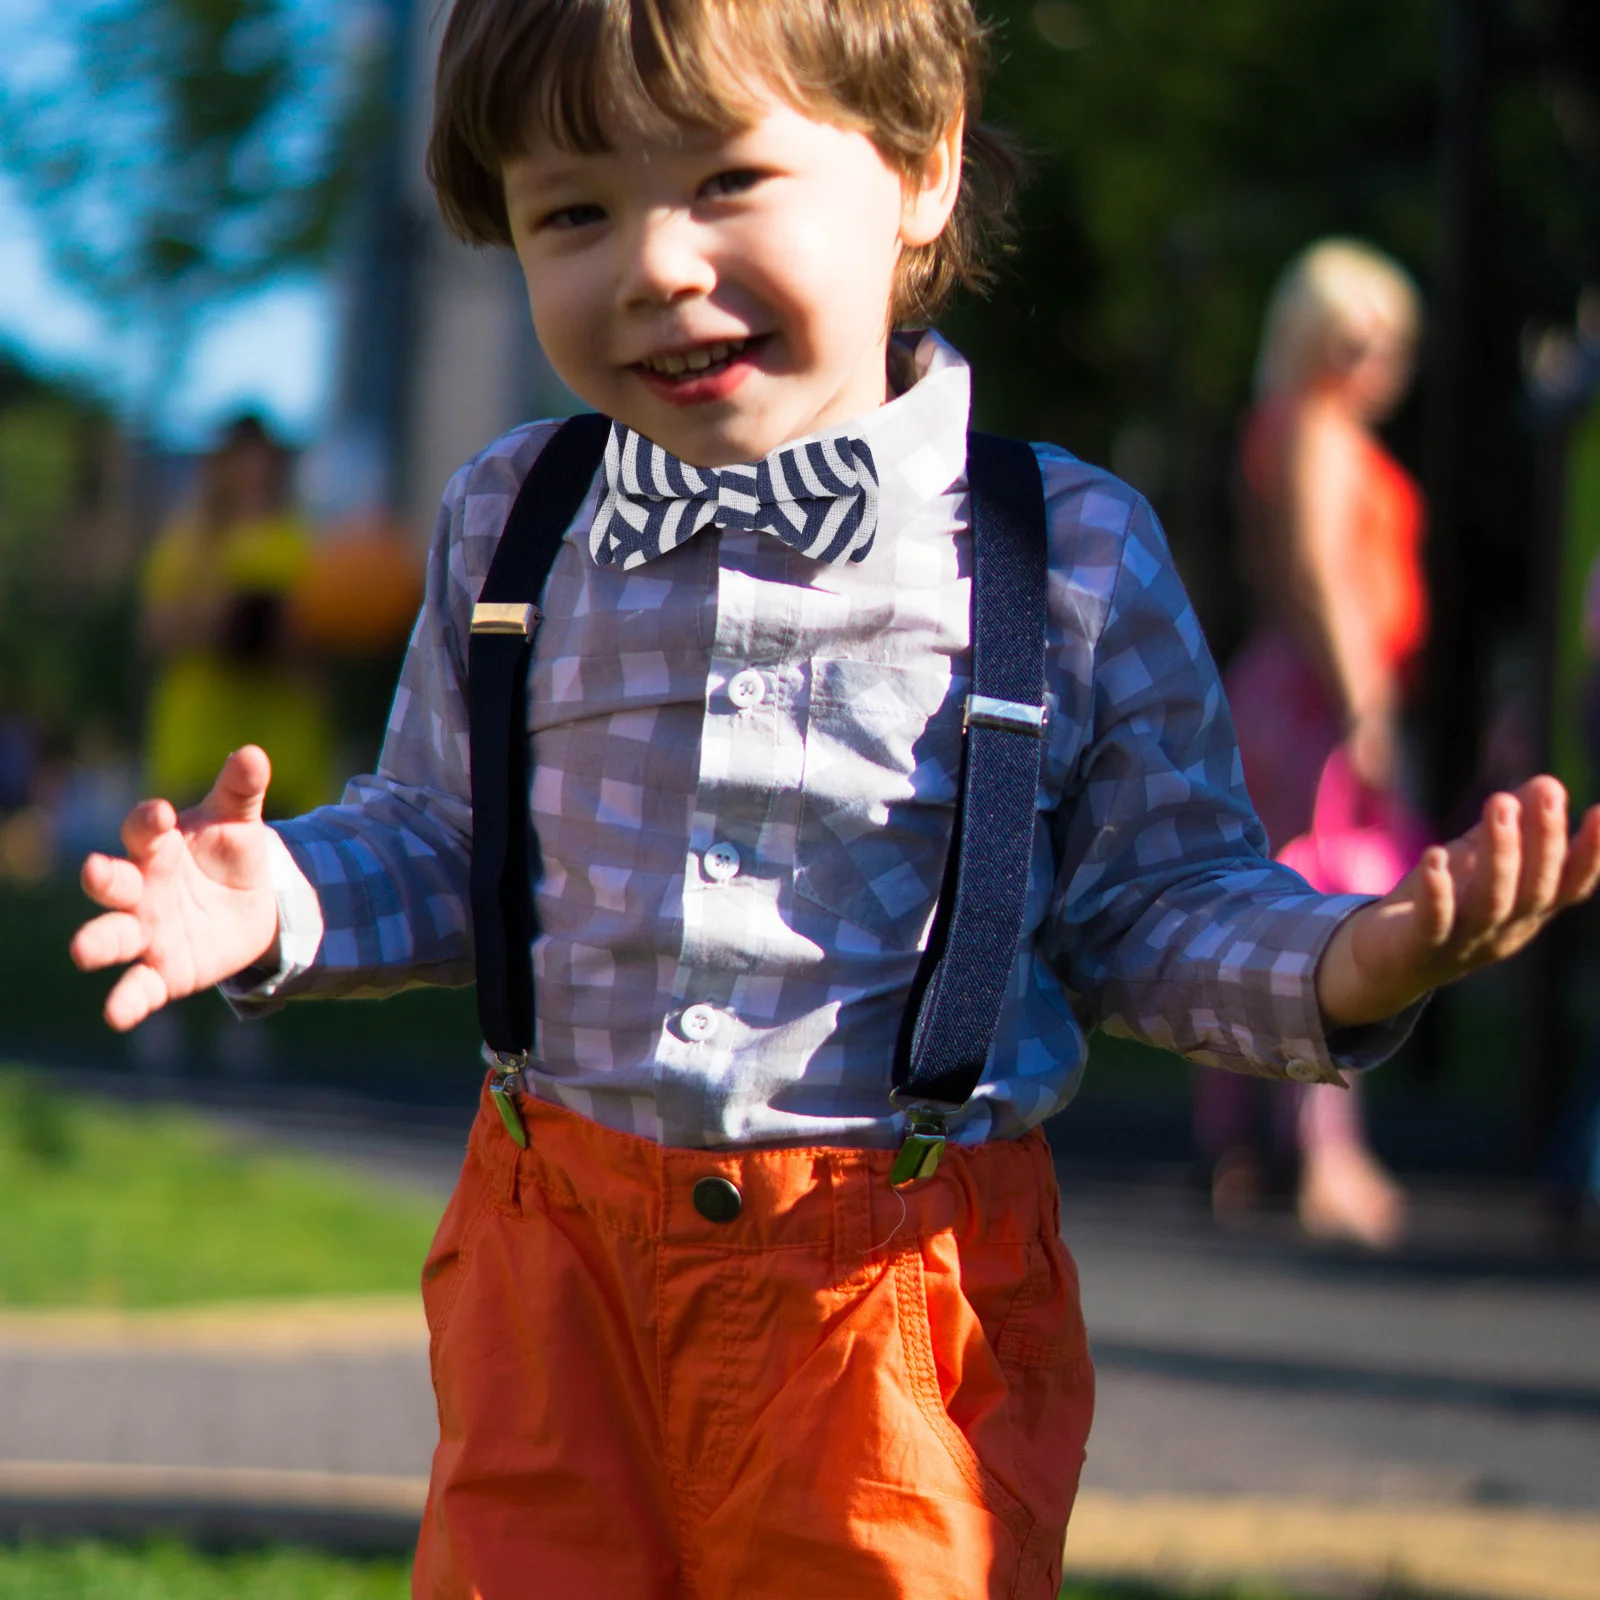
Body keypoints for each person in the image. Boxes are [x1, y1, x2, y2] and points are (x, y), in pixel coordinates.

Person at [68, 4, 1600, 1595]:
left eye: (729, 180)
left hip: (893, 1304)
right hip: (555, 1272)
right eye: (575, 210)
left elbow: (1149, 903)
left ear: (921, 169)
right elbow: (447, 839)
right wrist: (277, 899)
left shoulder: (1060, 554)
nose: (656, 263)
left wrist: (1352, 961)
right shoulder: (511, 525)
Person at [1198, 240, 1431, 1248]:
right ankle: (1326, 1154)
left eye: (1391, 336)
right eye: (1356, 333)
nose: (1378, 355)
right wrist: (1365, 707)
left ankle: (1246, 1140)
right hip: (1315, 699)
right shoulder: (1318, 430)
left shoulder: (1286, 425)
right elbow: (1320, 576)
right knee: (1336, 919)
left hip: (1289, 690)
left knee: (1267, 909)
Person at [140, 415, 333, 818]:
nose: (253, 473)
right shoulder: (191, 543)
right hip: (200, 750)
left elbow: (326, 638)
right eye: (242, 461)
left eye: (262, 462)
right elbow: (156, 630)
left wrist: (284, 632)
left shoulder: (302, 544)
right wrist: (229, 618)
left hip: (283, 757)